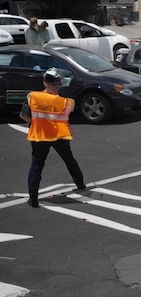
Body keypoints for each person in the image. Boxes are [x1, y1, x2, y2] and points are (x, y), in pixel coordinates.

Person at [19, 68, 86, 208]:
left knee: (36, 166)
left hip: (39, 136)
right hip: (60, 135)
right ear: (58, 84)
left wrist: (34, 122)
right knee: (69, 160)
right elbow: (67, 114)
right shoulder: (65, 102)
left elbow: (23, 115)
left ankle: (33, 199)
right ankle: (80, 184)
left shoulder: (33, 97)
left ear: (44, 82)